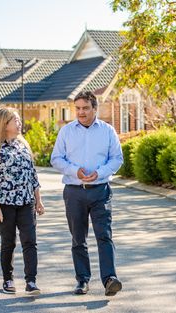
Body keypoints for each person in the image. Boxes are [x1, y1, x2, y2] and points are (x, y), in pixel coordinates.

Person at [51, 91, 123, 296]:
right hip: (74, 192)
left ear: (95, 109)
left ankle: (110, 279)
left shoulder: (108, 131)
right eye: (78, 108)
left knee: (104, 236)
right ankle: (82, 280)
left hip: (101, 191)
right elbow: (56, 159)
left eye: (85, 108)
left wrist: (99, 173)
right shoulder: (66, 132)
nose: (81, 112)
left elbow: (117, 159)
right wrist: (75, 171)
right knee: (78, 239)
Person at [0, 108, 45, 295]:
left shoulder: (23, 146)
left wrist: (38, 200)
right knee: (9, 242)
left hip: (26, 202)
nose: (19, 123)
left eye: (19, 120)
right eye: (16, 120)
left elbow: (33, 175)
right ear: (4, 124)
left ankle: (31, 281)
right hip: (4, 204)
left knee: (30, 241)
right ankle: (8, 279)